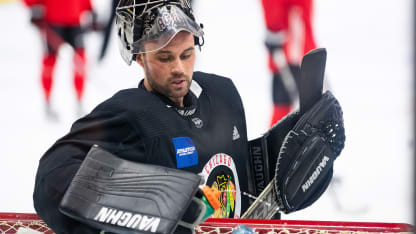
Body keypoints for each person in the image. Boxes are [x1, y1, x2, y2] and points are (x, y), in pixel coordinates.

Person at [33, 0, 345, 233]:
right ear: (139, 57)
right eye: (164, 58)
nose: (179, 68)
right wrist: (158, 200)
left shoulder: (223, 95)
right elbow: (52, 176)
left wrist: (280, 157)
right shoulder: (128, 114)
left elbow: (239, 180)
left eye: (187, 54)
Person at [23, 0, 97, 118]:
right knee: (49, 64)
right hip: (53, 22)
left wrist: (90, 9)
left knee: (80, 62)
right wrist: (34, 8)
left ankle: (79, 103)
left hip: (75, 21)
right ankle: (48, 103)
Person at [260, 0, 318, 126]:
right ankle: (274, 144)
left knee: (311, 112)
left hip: (295, 53)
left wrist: (274, 31)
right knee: (285, 109)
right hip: (290, 55)